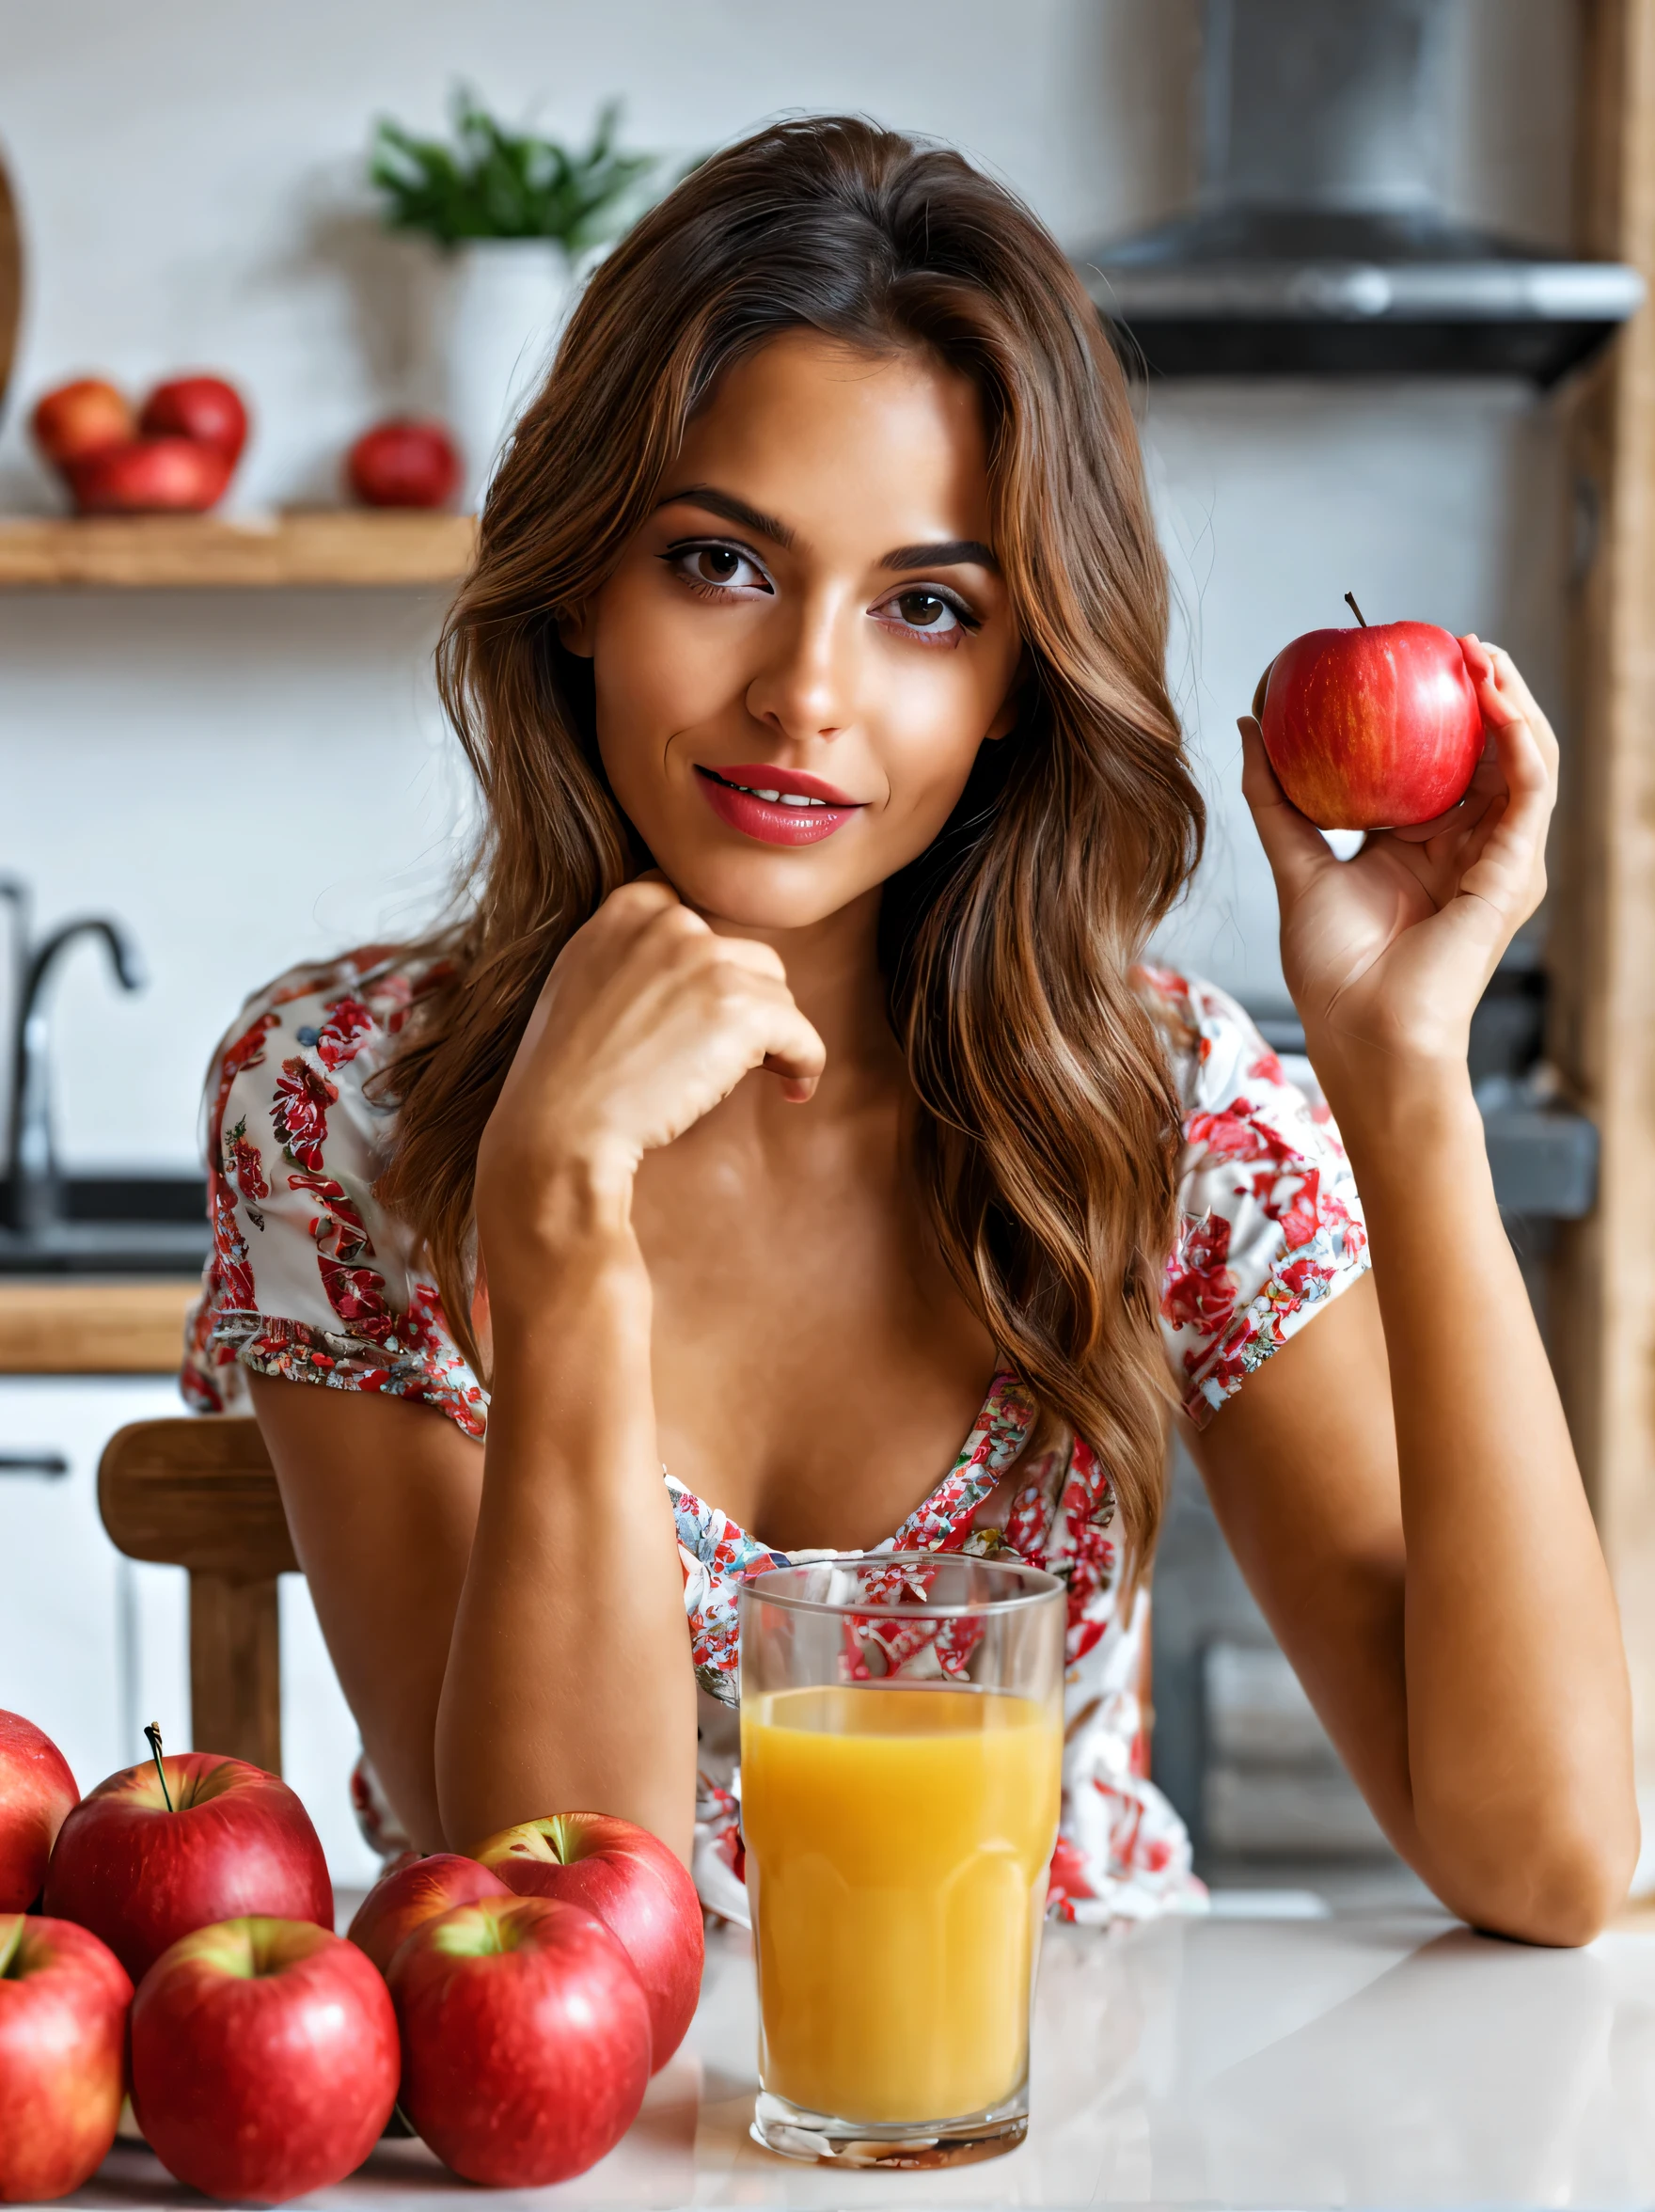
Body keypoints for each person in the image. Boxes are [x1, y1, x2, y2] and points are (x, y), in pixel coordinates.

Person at [184, 117, 1635, 1943]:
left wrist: (1401, 1069)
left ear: (1023, 681)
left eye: (927, 608)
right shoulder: (340, 1101)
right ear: (579, 585)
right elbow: (561, 1923)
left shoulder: (1165, 1104)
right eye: (719, 564)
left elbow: (1547, 1861)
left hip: (1084, 2110)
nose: (804, 695)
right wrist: (553, 1204)